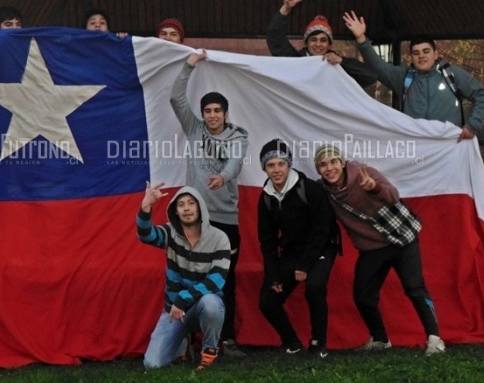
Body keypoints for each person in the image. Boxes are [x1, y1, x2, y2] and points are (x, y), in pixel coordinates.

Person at [314, 144, 446, 356]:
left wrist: (374, 187)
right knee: (362, 295)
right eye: (322, 164)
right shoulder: (323, 192)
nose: (329, 168)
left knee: (415, 287)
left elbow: (393, 195)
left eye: (333, 162)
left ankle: (435, 339)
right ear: (318, 169)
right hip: (372, 248)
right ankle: (380, 339)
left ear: (342, 163)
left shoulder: (363, 173)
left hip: (401, 237)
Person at [170, 50, 249, 357]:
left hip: (226, 220)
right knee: (190, 278)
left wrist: (224, 177)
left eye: (218, 110)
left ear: (225, 113)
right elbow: (176, 98)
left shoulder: (237, 136)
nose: (212, 115)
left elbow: (235, 162)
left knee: (223, 281)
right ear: (202, 114)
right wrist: (188, 65)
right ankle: (185, 338)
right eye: (208, 111)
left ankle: (224, 340)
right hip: (194, 221)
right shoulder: (193, 128)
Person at [343, 10, 484, 141]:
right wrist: (361, 38)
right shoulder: (404, 76)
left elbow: (482, 95)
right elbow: (377, 65)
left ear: (436, 54)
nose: (421, 56)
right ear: (411, 57)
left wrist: (472, 126)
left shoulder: (452, 73)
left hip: (448, 148)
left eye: (426, 51)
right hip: (416, 149)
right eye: (416, 53)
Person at [257, 139, 339, 358]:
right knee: (267, 300)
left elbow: (322, 229)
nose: (276, 169)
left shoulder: (309, 188)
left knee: (314, 287)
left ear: (289, 165)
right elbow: (268, 240)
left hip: (321, 247)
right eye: (271, 165)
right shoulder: (265, 197)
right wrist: (273, 275)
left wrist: (305, 264)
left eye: (281, 164)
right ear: (264, 168)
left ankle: (318, 343)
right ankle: (292, 343)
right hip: (292, 252)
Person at [137, 183, 231, 371]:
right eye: (181, 205)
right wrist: (145, 207)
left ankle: (209, 352)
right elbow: (146, 235)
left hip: (200, 305)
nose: (186, 208)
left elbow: (216, 280)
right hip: (174, 311)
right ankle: (183, 344)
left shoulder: (220, 238)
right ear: (176, 211)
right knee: (152, 364)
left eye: (191, 203)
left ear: (200, 208)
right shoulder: (170, 233)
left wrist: (183, 298)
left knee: (212, 303)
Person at [266, 0, 377, 88]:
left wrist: (342, 62)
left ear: (329, 44)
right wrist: (285, 9)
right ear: (306, 43)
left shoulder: (339, 65)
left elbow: (370, 77)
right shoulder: (295, 61)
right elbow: (275, 38)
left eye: (323, 40)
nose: (318, 44)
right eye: (313, 39)